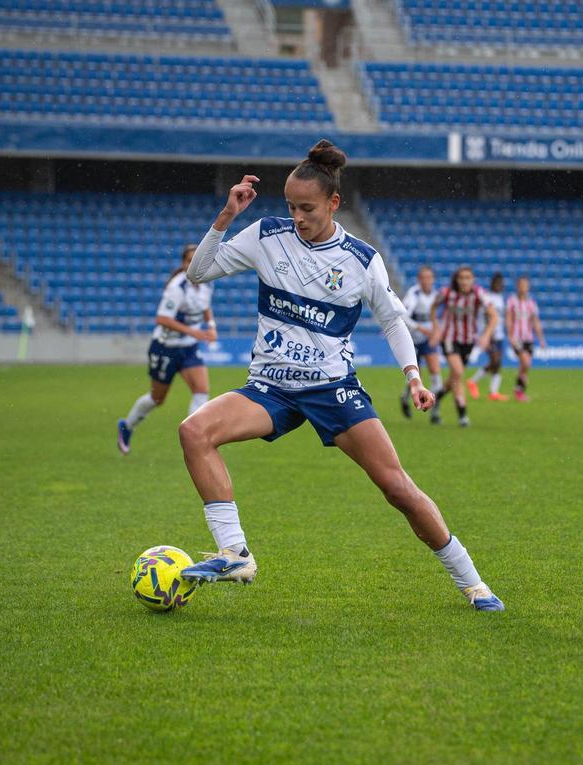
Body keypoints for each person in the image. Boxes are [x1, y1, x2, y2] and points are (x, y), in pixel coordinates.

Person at [174, 140, 504, 611]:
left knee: (397, 488)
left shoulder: (360, 259)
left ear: (333, 203)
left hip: (333, 389)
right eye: (290, 205)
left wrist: (413, 376)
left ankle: (473, 582)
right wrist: (227, 216)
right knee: (194, 431)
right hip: (271, 389)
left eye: (306, 207)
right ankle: (235, 553)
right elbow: (199, 272)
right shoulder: (267, 235)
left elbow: (392, 320)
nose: (297, 216)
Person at [117, 244, 216, 454]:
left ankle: (195, 438)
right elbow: (162, 319)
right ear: (184, 264)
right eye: (189, 261)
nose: (193, 265)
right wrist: (194, 332)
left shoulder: (206, 283)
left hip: (188, 348)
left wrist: (211, 326)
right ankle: (127, 426)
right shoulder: (176, 287)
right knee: (157, 399)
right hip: (165, 348)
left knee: (202, 389)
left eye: (197, 260)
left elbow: (205, 306)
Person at [429, 266, 497, 427]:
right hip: (449, 339)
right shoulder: (446, 293)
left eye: (468, 277)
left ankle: (435, 398)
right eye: (461, 278)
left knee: (454, 377)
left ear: (472, 279)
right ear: (457, 280)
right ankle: (463, 416)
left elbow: (494, 316)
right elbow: (433, 307)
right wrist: (436, 329)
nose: (464, 281)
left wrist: (486, 335)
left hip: (469, 341)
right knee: (458, 373)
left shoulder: (479, 294)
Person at [399, 264, 443, 424]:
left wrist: (435, 332)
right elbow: (403, 316)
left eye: (429, 278)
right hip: (411, 340)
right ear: (419, 280)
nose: (427, 281)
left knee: (436, 372)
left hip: (428, 340)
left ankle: (435, 412)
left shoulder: (436, 295)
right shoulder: (413, 294)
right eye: (423, 278)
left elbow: (438, 318)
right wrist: (420, 328)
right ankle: (405, 397)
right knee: (416, 374)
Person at [467, 272, 509, 401]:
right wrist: (487, 333)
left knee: (497, 363)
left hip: (499, 334)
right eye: (497, 283)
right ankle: (473, 381)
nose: (499, 285)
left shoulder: (501, 298)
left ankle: (493, 392)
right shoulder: (488, 297)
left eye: (500, 283)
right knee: (495, 360)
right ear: (492, 284)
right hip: (490, 334)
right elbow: (486, 315)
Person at [505, 275, 547, 402]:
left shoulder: (531, 303)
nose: (523, 288)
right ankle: (519, 390)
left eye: (525, 285)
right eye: (521, 285)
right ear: (518, 286)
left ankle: (518, 390)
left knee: (525, 366)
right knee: (525, 362)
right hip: (517, 338)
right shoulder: (512, 301)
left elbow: (535, 321)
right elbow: (508, 319)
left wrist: (541, 338)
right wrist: (510, 336)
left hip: (529, 338)